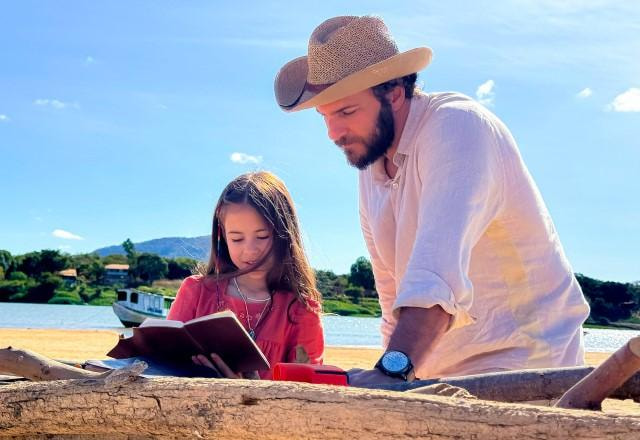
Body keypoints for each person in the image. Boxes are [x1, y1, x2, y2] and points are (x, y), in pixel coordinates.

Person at [274, 15, 590, 386]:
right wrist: (392, 374)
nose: (333, 133)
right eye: (324, 116)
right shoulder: (370, 167)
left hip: (525, 364)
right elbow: (393, 294)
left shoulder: (458, 126)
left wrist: (393, 370)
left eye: (346, 112)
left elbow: (434, 278)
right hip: (433, 371)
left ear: (393, 93)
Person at [167, 171, 324, 379]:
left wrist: (247, 392)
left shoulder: (301, 311)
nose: (250, 251)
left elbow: (308, 394)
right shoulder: (196, 291)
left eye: (262, 236)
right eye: (237, 239)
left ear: (285, 234)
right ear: (223, 237)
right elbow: (163, 363)